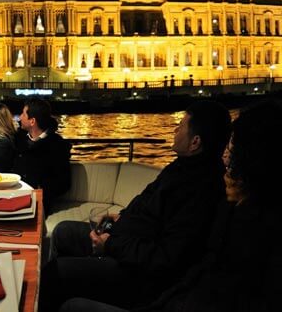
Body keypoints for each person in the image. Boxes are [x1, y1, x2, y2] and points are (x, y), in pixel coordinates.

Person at [57, 99, 282, 312]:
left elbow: (168, 261)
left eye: (232, 156)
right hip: (131, 249)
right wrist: (122, 217)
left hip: (137, 271)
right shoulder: (181, 168)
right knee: (63, 232)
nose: (225, 161)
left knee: (60, 280)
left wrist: (111, 247)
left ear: (195, 142)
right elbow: (149, 206)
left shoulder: (208, 196)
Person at [11, 98, 71, 213]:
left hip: (37, 202)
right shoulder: (18, 138)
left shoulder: (57, 146)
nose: (20, 117)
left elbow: (64, 183)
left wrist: (40, 191)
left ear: (32, 121)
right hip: (12, 194)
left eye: (23, 114)